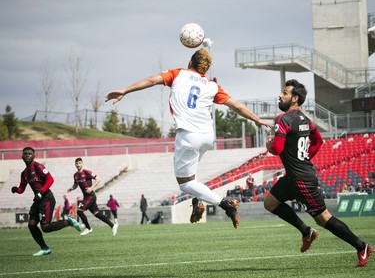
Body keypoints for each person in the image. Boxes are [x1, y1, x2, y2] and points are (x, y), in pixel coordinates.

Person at [105, 48, 272, 228]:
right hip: (208, 136)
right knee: (192, 175)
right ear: (205, 70)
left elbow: (151, 80)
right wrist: (257, 120)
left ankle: (225, 204)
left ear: (190, 63)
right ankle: (197, 202)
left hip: (188, 135)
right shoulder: (212, 86)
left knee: (185, 184)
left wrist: (125, 90)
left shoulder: (178, 74)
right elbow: (236, 105)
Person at [263, 79, 373, 267]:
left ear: (295, 98)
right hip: (294, 176)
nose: (280, 95)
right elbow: (318, 141)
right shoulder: (305, 120)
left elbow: (279, 148)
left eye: (285, 92)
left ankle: (362, 246)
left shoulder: (283, 119)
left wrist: (269, 146)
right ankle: (306, 231)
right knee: (270, 203)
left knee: (324, 219)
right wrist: (304, 158)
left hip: (300, 179)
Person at [11, 147, 81, 256]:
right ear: (22, 157)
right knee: (31, 225)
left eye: (30, 153)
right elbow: (22, 188)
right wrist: (16, 189)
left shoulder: (38, 166)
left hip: (47, 198)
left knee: (46, 227)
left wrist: (41, 192)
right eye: (25, 153)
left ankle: (70, 221)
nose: (27, 155)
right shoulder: (24, 173)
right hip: (38, 200)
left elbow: (50, 179)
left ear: (34, 156)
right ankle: (45, 248)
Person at [67, 157, 118, 236]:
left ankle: (88, 228)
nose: (78, 165)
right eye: (77, 163)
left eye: (80, 163)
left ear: (82, 164)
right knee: (97, 213)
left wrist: (91, 188)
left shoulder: (87, 172)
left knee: (79, 211)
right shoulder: (76, 175)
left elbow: (98, 179)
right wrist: (71, 188)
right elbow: (76, 184)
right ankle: (113, 225)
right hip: (86, 197)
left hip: (90, 196)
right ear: (75, 164)